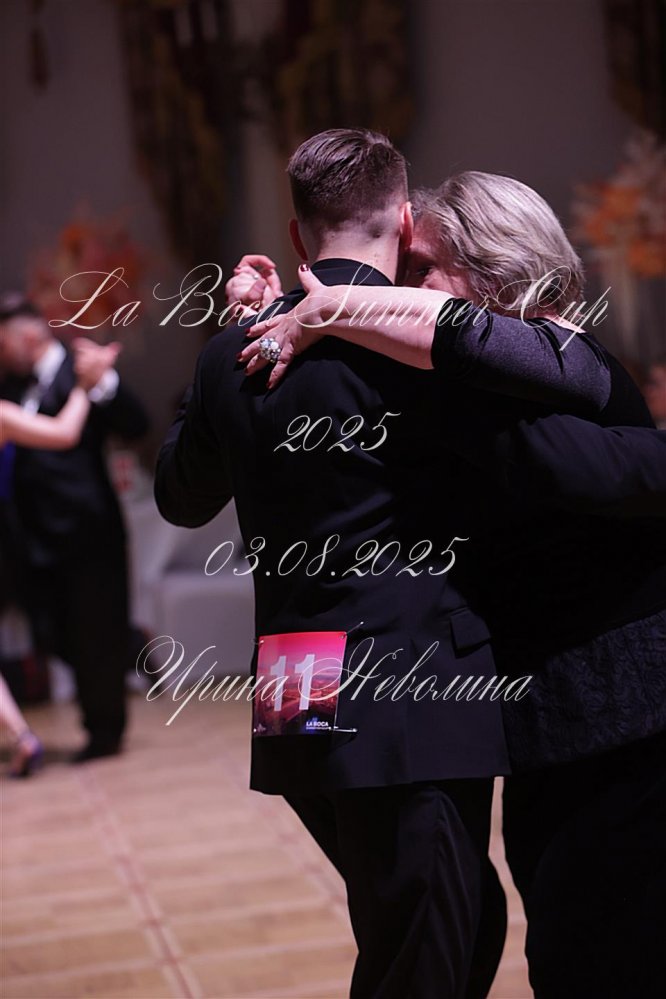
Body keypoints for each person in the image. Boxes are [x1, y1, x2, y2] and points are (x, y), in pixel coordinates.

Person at [155, 131, 619, 999]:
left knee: (447, 918)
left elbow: (181, 496)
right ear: (406, 222)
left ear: (295, 233)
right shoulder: (426, 349)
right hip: (408, 685)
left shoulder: (238, 353)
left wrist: (228, 347)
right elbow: (582, 379)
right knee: (424, 947)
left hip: (294, 684)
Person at [0, 294, 149, 762]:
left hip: (88, 530)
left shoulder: (81, 369)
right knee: (56, 632)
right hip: (33, 540)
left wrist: (100, 382)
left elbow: (137, 424)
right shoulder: (10, 386)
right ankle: (130, 646)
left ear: (27, 336)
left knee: (95, 632)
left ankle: (104, 732)